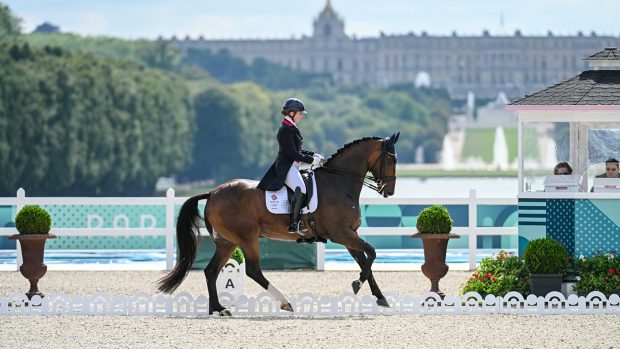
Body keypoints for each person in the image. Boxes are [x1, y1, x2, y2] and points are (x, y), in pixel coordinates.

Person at [258, 98, 324, 234]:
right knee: (301, 189)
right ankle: (294, 223)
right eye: (300, 113)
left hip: (294, 166)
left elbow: (298, 150)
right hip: (286, 167)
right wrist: (311, 160)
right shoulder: (285, 130)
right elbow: (293, 153)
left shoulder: (291, 127)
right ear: (292, 113)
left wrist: (314, 155)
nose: (301, 116)